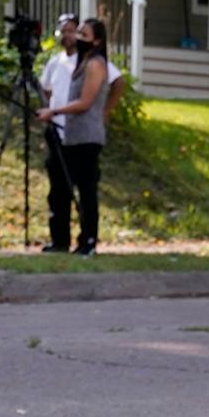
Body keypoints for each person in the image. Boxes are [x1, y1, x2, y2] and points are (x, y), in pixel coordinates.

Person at [36, 16, 124, 251]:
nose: (77, 38)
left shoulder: (95, 64)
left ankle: (88, 240)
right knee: (60, 189)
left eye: (83, 34)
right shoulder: (71, 62)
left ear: (97, 41)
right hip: (66, 134)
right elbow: (47, 88)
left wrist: (54, 111)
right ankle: (60, 240)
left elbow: (85, 102)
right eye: (77, 34)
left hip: (85, 135)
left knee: (86, 189)